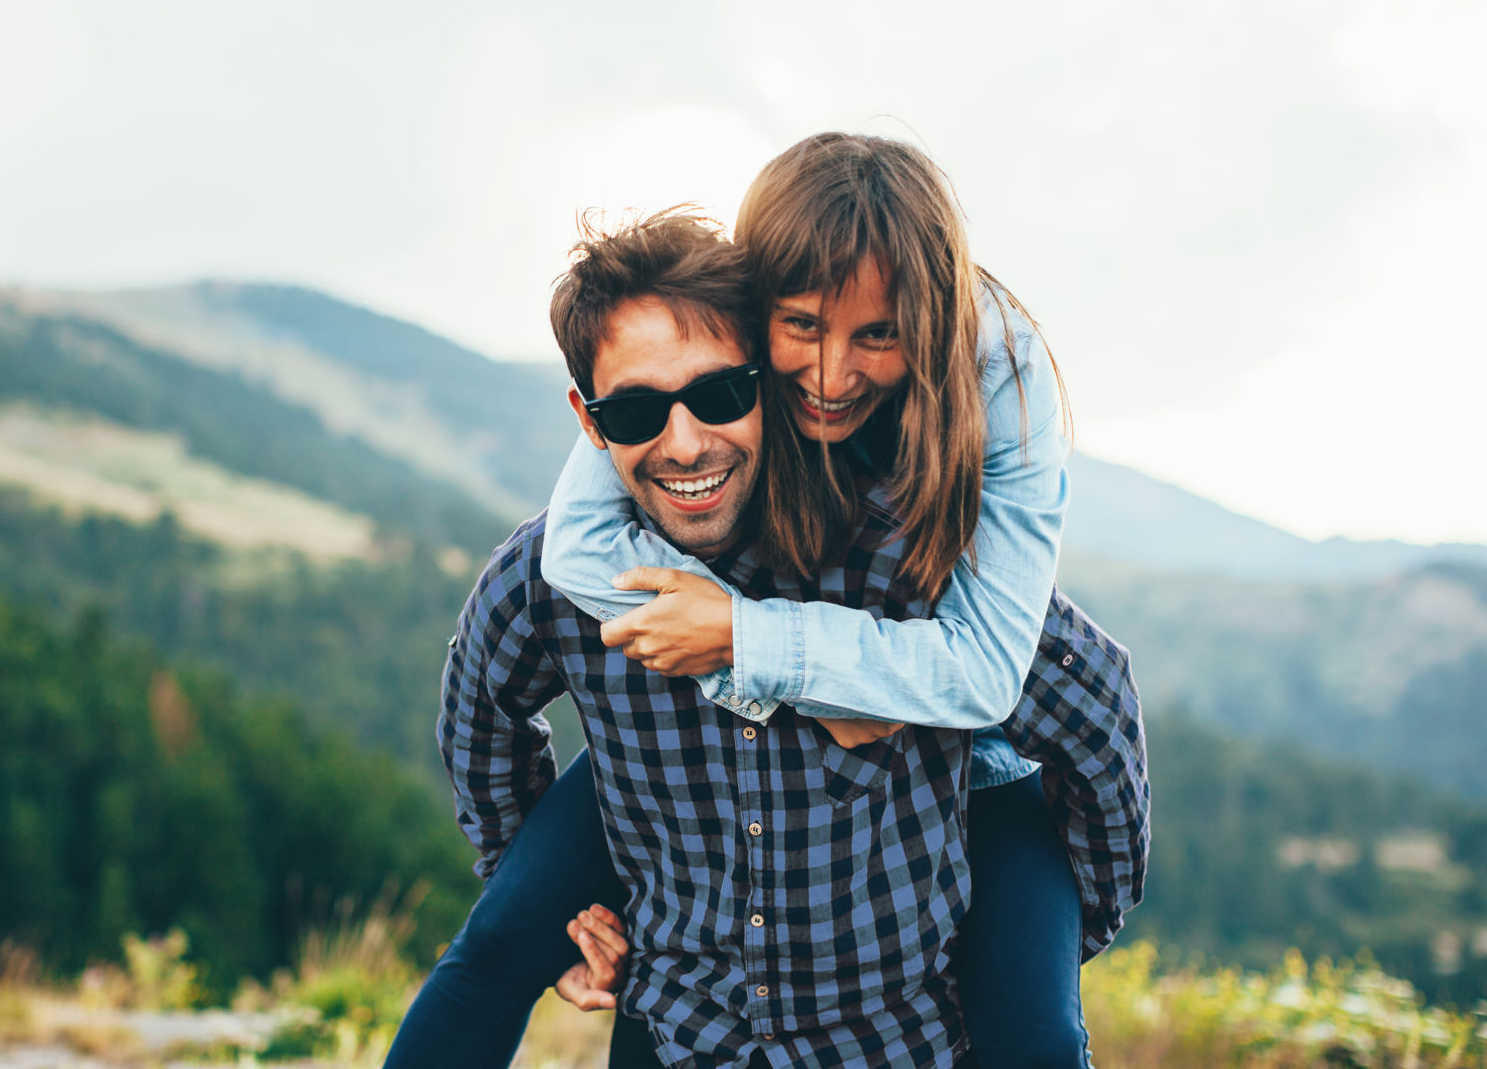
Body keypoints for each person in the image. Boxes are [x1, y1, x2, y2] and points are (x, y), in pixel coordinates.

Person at [396, 208, 1145, 1069]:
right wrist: (567, 918)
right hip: (689, 1030)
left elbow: (1091, 708)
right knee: (483, 960)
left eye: (716, 396)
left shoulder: (901, 553)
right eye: (635, 412)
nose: (683, 443)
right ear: (590, 423)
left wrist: (1062, 931)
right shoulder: (556, 574)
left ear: (764, 384)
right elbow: (479, 710)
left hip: (890, 1040)